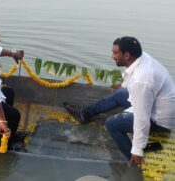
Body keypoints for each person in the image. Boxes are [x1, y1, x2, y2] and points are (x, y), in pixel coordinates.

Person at [63, 36, 175, 164]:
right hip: (156, 107)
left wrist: (137, 150)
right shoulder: (141, 57)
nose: (112, 56)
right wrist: (124, 85)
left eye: (115, 53)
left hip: (159, 122)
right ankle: (84, 114)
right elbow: (132, 76)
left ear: (127, 55)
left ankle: (134, 159)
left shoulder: (141, 80)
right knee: (121, 93)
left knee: (112, 124)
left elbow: (142, 118)